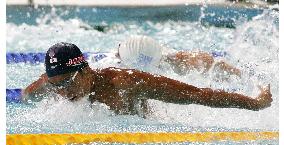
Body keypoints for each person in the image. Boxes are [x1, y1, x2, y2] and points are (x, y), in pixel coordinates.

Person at [22, 42, 272, 117]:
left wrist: (255, 103)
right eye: (56, 85)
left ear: (86, 71)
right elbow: (25, 95)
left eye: (67, 83)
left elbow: (198, 95)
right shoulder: (54, 82)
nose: (64, 93)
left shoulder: (126, 82)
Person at [116, 35, 241, 77]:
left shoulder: (167, 58)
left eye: (119, 54)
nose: (117, 54)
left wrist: (239, 73)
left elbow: (207, 60)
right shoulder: (110, 64)